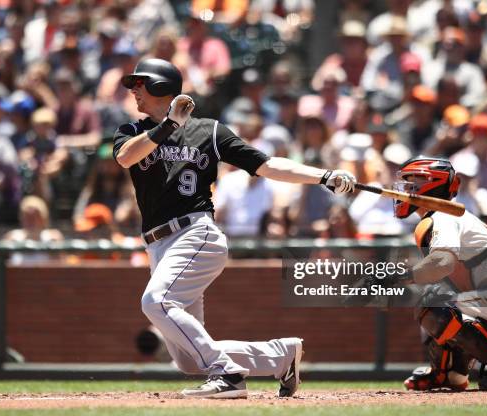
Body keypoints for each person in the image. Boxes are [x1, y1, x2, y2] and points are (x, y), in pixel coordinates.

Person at [113, 58, 356, 398]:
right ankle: (280, 355)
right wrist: (166, 126)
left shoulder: (209, 130)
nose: (134, 90)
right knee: (186, 358)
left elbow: (267, 165)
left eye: (140, 83)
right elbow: (126, 158)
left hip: (195, 233)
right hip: (158, 245)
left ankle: (228, 375)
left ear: (159, 85)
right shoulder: (133, 131)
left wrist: (323, 176)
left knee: (156, 302)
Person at [387, 157, 487, 391]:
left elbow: (441, 264)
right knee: (440, 299)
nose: (404, 190)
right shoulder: (446, 216)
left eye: (410, 183)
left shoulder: (442, 217)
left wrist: (397, 276)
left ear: (431, 184)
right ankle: (450, 374)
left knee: (433, 305)